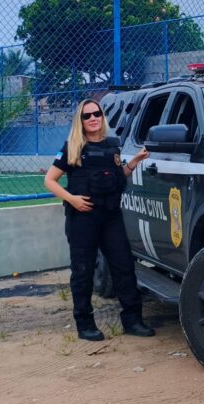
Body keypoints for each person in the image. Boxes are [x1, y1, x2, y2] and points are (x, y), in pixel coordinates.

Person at [44, 98, 153, 341]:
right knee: (82, 270)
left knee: (124, 266)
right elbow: (49, 180)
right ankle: (85, 324)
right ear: (80, 121)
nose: (93, 118)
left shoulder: (112, 145)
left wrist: (134, 162)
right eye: (87, 116)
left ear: (102, 117)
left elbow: (117, 175)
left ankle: (133, 321)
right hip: (83, 218)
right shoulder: (73, 147)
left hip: (111, 216)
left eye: (97, 114)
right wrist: (72, 199)